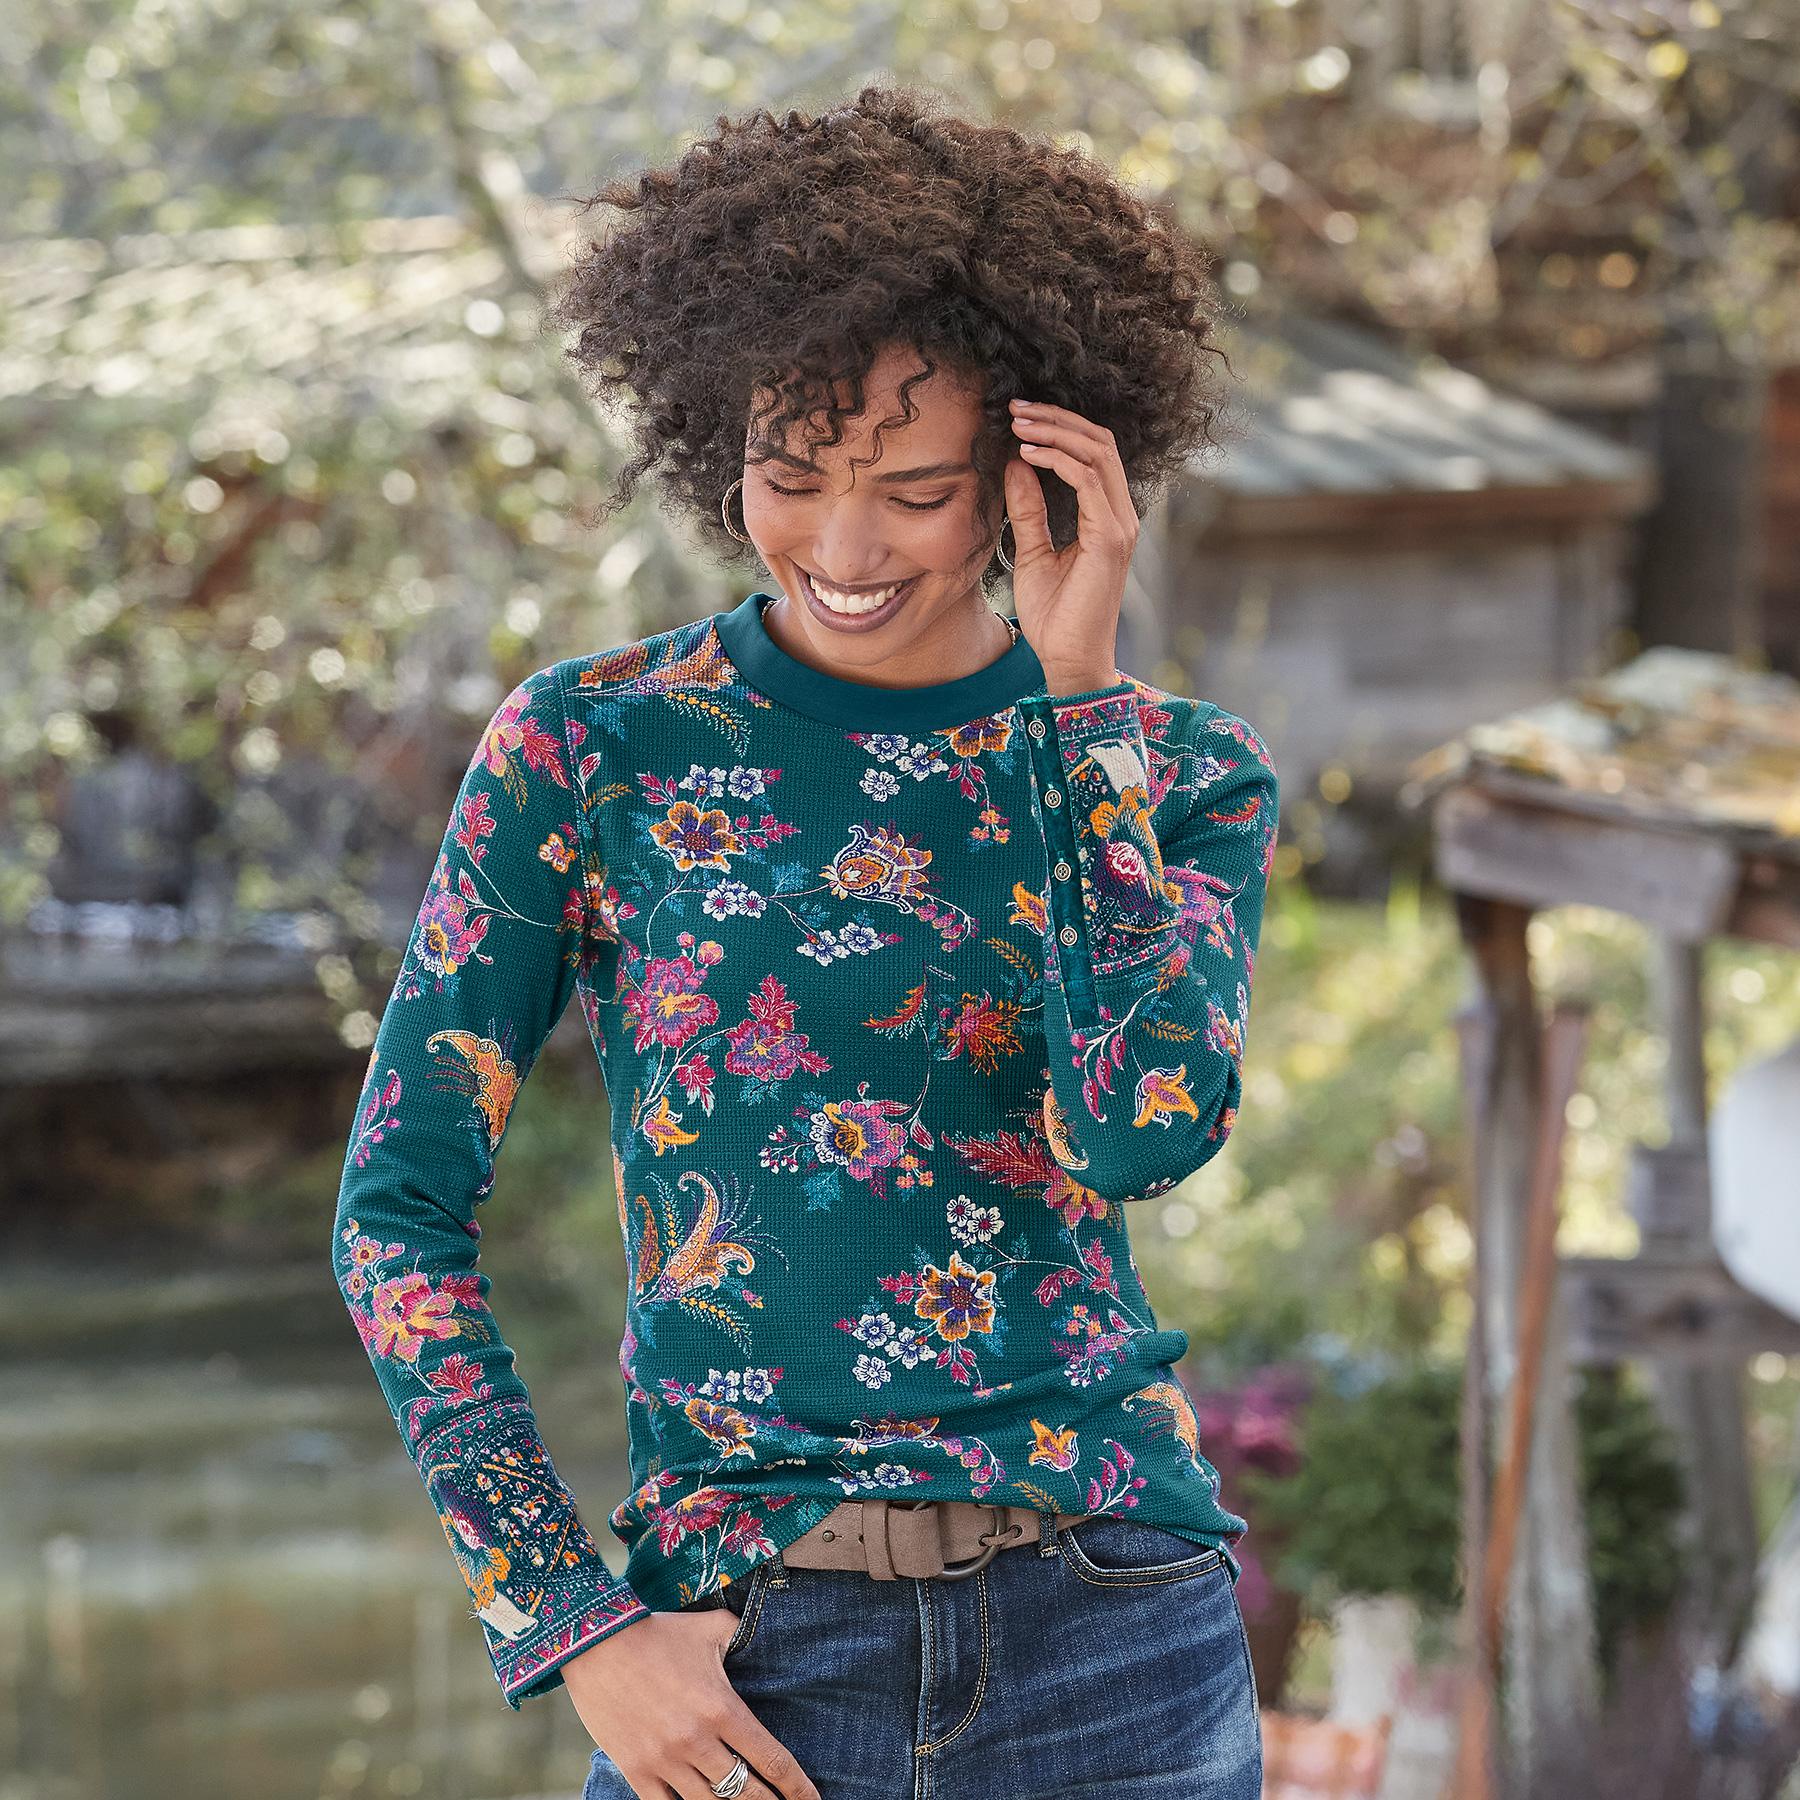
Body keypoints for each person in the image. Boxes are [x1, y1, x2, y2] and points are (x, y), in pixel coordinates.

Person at [332, 85, 1277, 1800]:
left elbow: (1142, 1135)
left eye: (914, 492)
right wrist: (569, 1619)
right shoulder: (592, 746)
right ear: (721, 439)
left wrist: (1077, 713)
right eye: (792, 477)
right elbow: (395, 1213)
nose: (843, 548)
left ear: (1029, 479)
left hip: (1115, 1645)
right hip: (742, 1657)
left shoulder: (1180, 777)